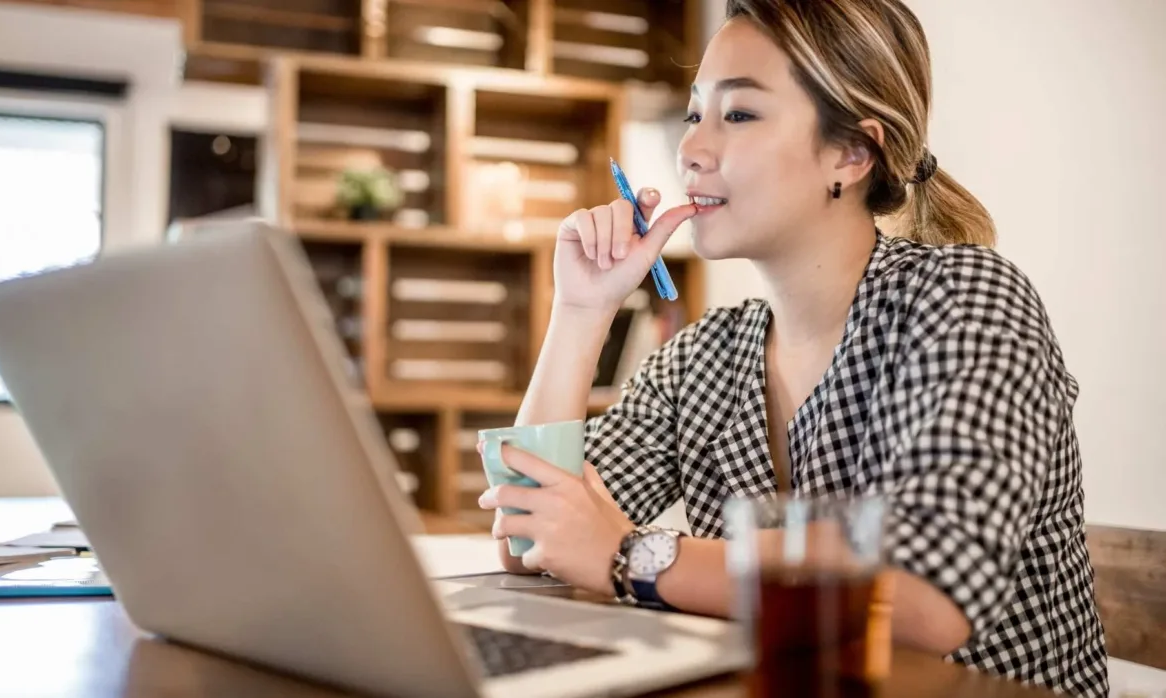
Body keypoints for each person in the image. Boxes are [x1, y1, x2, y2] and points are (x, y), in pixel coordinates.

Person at [474, 0, 1108, 695]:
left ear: (851, 152)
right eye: (694, 115)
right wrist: (581, 309)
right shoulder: (703, 358)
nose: (691, 149)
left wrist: (631, 555)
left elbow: (928, 593)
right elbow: (531, 541)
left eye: (738, 115)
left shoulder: (965, 299)